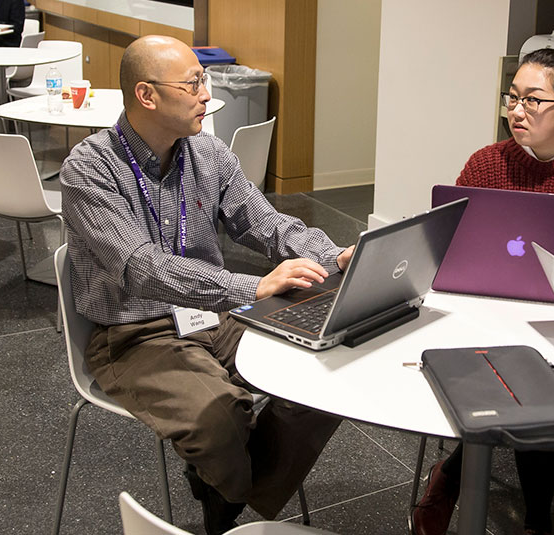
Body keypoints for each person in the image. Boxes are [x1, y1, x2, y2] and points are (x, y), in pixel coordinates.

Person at [60, 35, 351, 535]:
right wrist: (251, 289)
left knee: (324, 369)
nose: (206, 93)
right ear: (148, 95)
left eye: (204, 79)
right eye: (193, 82)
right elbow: (143, 269)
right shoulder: (89, 169)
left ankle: (226, 494)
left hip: (217, 317)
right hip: (134, 334)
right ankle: (228, 485)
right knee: (220, 418)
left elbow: (266, 223)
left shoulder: (207, 152)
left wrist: (334, 254)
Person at [412, 48, 554, 535]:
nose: (515, 111)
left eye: (532, 101)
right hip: (484, 309)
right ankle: (514, 507)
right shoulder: (487, 164)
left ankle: (478, 488)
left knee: (538, 376)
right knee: (503, 367)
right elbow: (451, 250)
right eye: (512, 98)